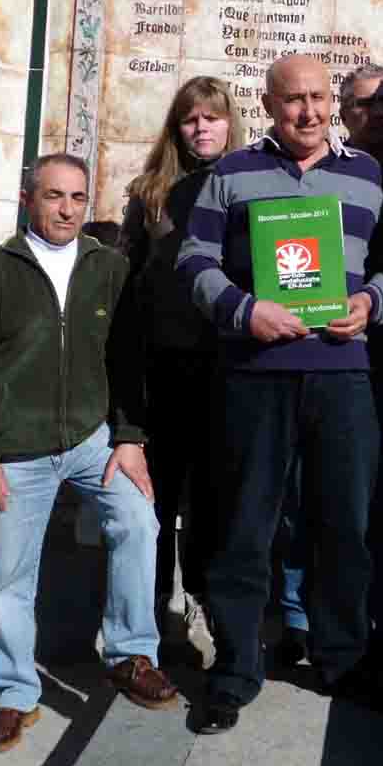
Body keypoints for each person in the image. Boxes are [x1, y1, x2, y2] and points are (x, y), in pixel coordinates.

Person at [177, 53, 383, 733]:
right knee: (245, 525)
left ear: (334, 101)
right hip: (255, 375)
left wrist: (370, 302)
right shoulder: (232, 174)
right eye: (292, 99)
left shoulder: (367, 174)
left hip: (342, 375)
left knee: (344, 523)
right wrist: (246, 311)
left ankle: (341, 655)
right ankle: (237, 667)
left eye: (318, 97)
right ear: (268, 105)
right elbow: (194, 260)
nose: (308, 111)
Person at [0, 152, 177, 754]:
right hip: (15, 453)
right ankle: (13, 692)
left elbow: (128, 360)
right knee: (6, 577)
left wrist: (129, 438)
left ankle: (131, 655)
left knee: (137, 521)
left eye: (77, 198)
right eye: (54, 196)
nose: (66, 209)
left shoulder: (109, 268)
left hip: (90, 439)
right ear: (30, 199)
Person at [279, 64, 383, 664]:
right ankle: (296, 611)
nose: (379, 113)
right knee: (307, 489)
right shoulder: (324, 173)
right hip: (331, 352)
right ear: (345, 113)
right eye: (364, 104)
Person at [116, 76, 244, 664]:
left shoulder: (249, 181)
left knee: (212, 496)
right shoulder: (151, 194)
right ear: (177, 126)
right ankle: (150, 615)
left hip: (222, 364)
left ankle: (202, 601)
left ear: (229, 123)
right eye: (191, 119)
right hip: (163, 364)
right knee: (158, 498)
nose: (202, 128)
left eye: (213, 118)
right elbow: (127, 279)